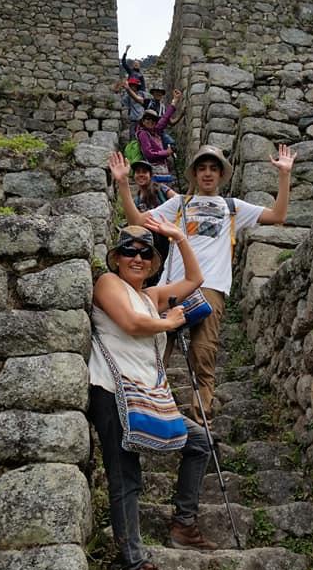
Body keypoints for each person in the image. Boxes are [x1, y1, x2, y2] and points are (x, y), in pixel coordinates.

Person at [110, 142, 295, 425]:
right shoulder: (179, 204)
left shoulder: (233, 207)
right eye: (202, 168)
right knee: (158, 346)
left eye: (213, 168)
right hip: (175, 286)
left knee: (204, 352)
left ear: (221, 175)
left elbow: (278, 216)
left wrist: (284, 175)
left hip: (213, 286)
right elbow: (137, 221)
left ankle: (201, 417)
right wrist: (123, 184)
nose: (207, 173)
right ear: (194, 174)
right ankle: (149, 408)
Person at [88, 222, 216, 570]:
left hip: (147, 392)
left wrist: (178, 238)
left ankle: (183, 522)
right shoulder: (109, 284)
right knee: (125, 475)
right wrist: (170, 322)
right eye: (130, 250)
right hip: (112, 390)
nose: (138, 258)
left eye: (146, 253)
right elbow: (130, 323)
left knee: (198, 442)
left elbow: (195, 279)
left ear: (155, 262)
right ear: (116, 257)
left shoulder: (153, 296)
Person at [130, 157, 176, 285]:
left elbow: (177, 200)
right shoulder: (136, 200)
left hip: (165, 236)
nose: (141, 175)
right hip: (149, 241)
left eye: (144, 172)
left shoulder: (161, 189)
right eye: (138, 172)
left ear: (150, 175)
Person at [136, 89, 182, 181]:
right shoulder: (143, 134)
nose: (150, 121)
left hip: (162, 171)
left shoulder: (155, 131)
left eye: (153, 120)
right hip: (153, 172)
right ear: (143, 121)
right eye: (147, 119)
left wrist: (175, 100)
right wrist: (166, 152)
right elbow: (149, 154)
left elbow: (165, 118)